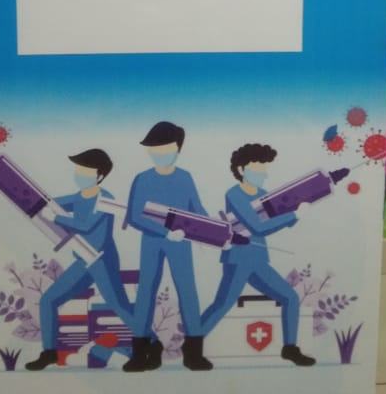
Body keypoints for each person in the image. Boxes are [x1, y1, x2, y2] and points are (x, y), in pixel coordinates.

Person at [201, 143, 316, 366]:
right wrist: (293, 215)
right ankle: (192, 343)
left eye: (264, 169)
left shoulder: (264, 195)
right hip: (238, 260)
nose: (263, 174)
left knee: (290, 298)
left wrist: (297, 211)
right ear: (241, 170)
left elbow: (279, 220)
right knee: (223, 304)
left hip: (258, 260)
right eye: (257, 169)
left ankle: (290, 348)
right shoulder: (234, 195)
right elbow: (258, 227)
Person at [25, 149, 134, 371]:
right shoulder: (79, 196)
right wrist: (30, 199)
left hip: (102, 261)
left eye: (86, 171)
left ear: (99, 176)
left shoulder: (105, 199)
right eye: (79, 170)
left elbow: (86, 225)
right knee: (48, 300)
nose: (80, 174)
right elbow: (51, 203)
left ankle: (151, 344)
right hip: (84, 261)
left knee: (119, 306)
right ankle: (49, 353)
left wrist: (57, 217)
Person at [123, 121, 212, 372]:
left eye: (166, 148)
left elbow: (197, 210)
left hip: (181, 243)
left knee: (188, 291)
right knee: (145, 293)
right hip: (152, 242)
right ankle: (139, 353)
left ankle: (194, 354)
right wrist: (165, 232)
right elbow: (135, 216)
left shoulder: (185, 177)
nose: (160, 153)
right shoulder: (142, 179)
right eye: (155, 148)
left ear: (177, 149)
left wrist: (214, 230)